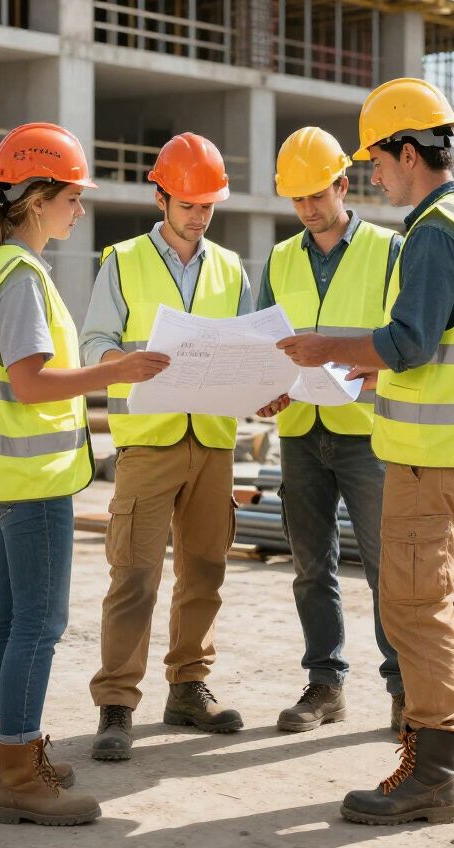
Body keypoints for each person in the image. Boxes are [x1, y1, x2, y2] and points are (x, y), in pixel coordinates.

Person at [278, 78, 454, 826]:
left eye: (377, 159)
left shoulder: (433, 232)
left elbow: (409, 343)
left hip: (428, 451)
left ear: (409, 151)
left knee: (415, 605)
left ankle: (431, 773)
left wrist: (332, 347)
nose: (374, 174)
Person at [0, 122, 168, 827]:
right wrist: (117, 370)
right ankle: (20, 773)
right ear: (40, 196)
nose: (81, 210)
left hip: (11, 475)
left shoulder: (6, 270)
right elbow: (30, 383)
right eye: (73, 197)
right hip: (34, 478)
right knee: (37, 626)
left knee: (8, 618)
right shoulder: (20, 277)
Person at [81, 132, 271, 762]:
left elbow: (246, 349)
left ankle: (189, 686)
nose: (198, 214)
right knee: (133, 575)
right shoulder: (122, 259)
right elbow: (91, 346)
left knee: (206, 572)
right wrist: (124, 362)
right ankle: (116, 702)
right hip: (148, 443)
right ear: (160, 196)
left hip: (214, 441)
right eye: (187, 202)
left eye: (207, 204)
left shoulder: (231, 267)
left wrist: (263, 389)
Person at [257, 126, 404, 734]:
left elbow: (405, 340)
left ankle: (405, 687)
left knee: (385, 567)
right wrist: (263, 387)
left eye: (318, 193)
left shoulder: (389, 250)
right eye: (297, 199)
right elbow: (266, 341)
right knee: (311, 568)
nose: (309, 208)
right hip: (299, 430)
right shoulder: (281, 259)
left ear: (344, 183)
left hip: (367, 432)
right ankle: (324, 684)